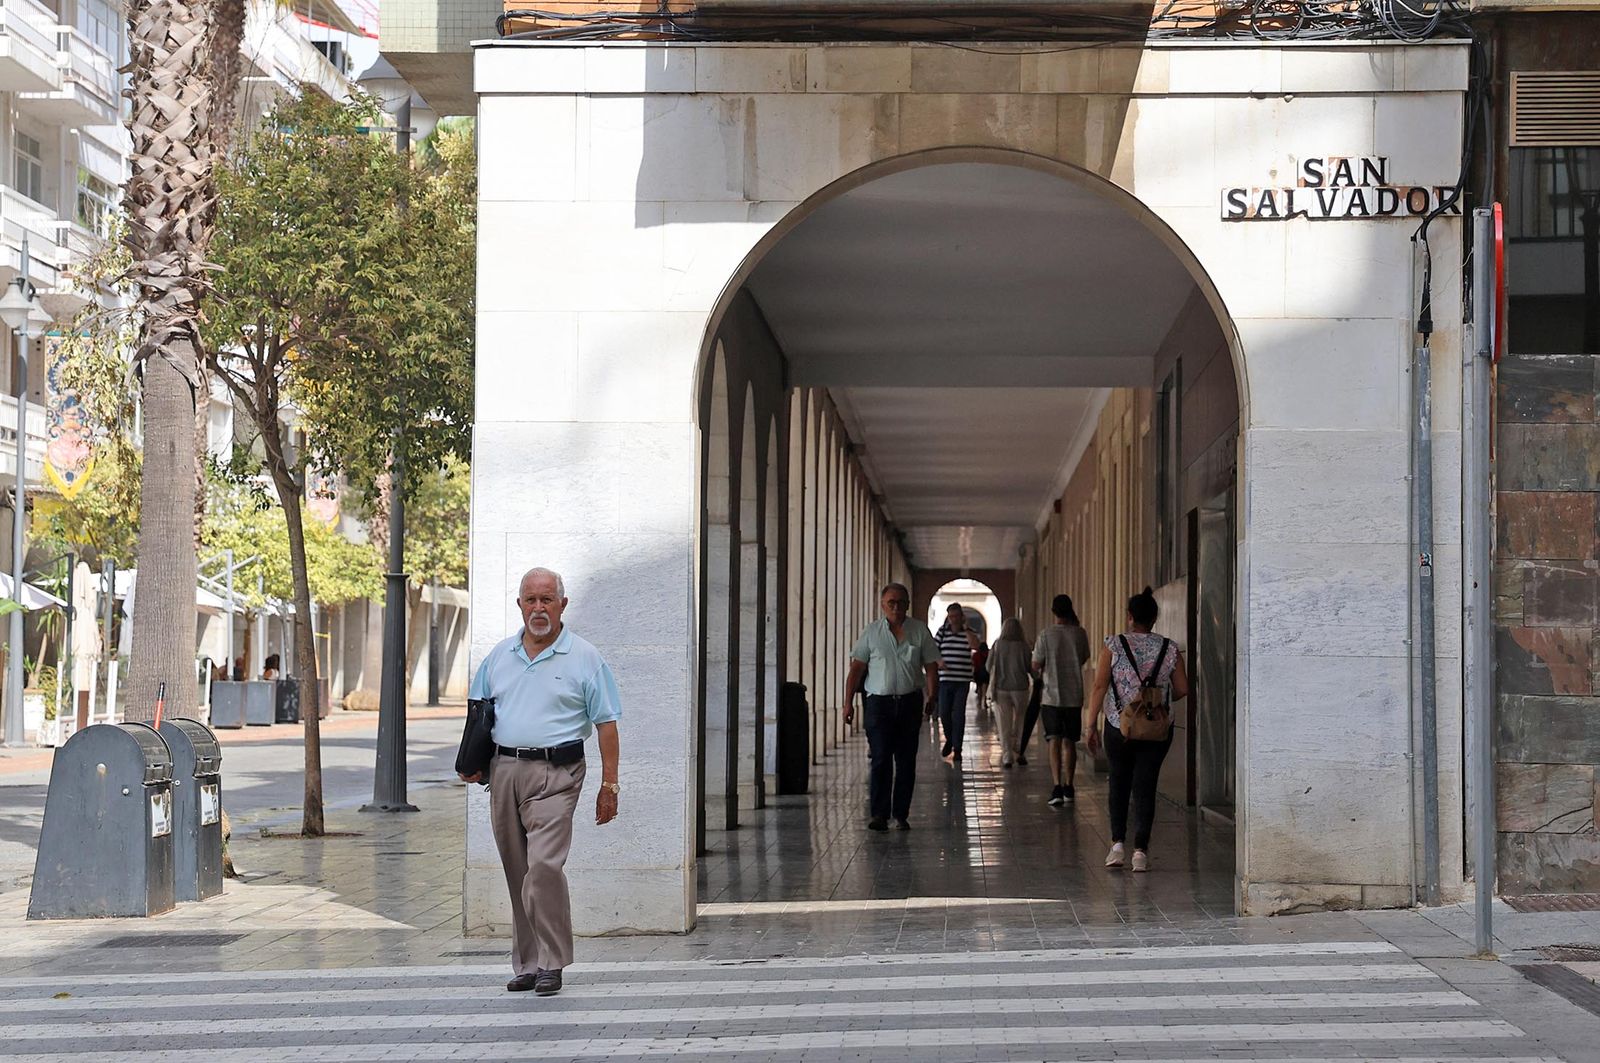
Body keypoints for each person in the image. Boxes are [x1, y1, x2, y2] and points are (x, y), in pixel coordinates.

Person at [458, 566, 622, 996]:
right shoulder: (499, 656)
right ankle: (528, 963)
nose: (538, 608)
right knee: (518, 872)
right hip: (505, 770)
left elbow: (606, 724)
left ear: (562, 604)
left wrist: (610, 785)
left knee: (543, 866)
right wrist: (471, 761)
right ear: (519, 605)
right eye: (530, 599)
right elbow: (480, 712)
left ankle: (552, 961)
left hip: (558, 773)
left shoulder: (585, 657)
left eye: (547, 599)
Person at [1086, 586, 1190, 873]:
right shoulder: (1169, 648)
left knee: (1119, 782)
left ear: (1130, 616)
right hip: (1157, 728)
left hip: (1120, 725)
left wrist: (1090, 724)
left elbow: (1099, 686)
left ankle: (1117, 845)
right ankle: (1141, 852)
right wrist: (1156, 695)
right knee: (1146, 785)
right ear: (1155, 618)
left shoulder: (1114, 645)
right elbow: (1182, 688)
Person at [845, 583, 940, 831]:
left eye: (901, 602)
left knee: (906, 760)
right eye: (891, 602)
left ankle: (900, 814)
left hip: (909, 702)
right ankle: (878, 814)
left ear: (908, 605)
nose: (896, 607)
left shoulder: (919, 631)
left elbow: (931, 665)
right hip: (879, 704)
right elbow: (856, 668)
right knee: (880, 758)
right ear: (882, 605)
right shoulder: (871, 633)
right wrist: (847, 704)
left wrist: (932, 695)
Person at [1030, 594, 1091, 807]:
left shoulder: (1045, 635)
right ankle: (1069, 785)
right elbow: (1084, 657)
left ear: (1053, 611)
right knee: (1070, 742)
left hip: (1051, 696)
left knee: (1053, 740)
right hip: (1074, 695)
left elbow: (1036, 664)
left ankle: (1056, 786)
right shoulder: (1080, 633)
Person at [933, 603, 979, 762]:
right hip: (945, 679)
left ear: (961, 617)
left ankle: (957, 748)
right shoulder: (942, 632)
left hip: (962, 680)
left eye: (956, 617)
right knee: (944, 712)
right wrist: (939, 662)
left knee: (959, 714)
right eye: (950, 617)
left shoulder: (969, 633)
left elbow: (975, 646)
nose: (953, 620)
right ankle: (950, 739)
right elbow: (933, 650)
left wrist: (966, 630)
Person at [986, 618, 1031, 768]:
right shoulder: (1024, 646)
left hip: (1001, 688)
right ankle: (1019, 749)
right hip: (1021, 688)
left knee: (1003, 722)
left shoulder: (997, 645)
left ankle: (1007, 755)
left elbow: (987, 666)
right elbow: (1030, 667)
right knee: (1021, 720)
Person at [972, 641, 991, 712]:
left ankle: (979, 702)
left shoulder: (976, 654)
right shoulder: (988, 653)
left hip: (977, 673)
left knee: (979, 687)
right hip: (986, 673)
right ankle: (984, 701)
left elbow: (973, 664)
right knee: (984, 688)